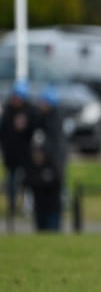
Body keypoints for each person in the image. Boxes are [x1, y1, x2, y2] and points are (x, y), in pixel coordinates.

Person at [25, 86, 67, 232]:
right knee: (40, 203)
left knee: (52, 204)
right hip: (40, 173)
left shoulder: (54, 123)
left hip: (52, 171)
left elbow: (54, 149)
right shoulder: (40, 120)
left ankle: (52, 228)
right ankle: (42, 228)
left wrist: (45, 157)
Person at [2, 79, 35, 227]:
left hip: (25, 156)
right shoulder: (8, 111)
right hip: (10, 156)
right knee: (11, 183)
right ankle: (12, 207)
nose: (16, 99)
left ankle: (27, 207)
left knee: (26, 183)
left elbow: (33, 132)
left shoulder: (29, 112)